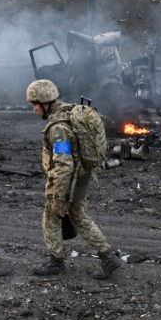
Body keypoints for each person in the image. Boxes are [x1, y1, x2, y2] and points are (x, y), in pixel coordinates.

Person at [25, 79, 122, 279]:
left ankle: (56, 262)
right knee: (79, 217)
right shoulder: (68, 112)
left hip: (66, 180)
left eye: (35, 104)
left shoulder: (58, 129)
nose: (34, 109)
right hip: (80, 177)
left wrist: (58, 196)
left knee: (51, 217)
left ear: (46, 103)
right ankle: (107, 256)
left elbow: (63, 163)